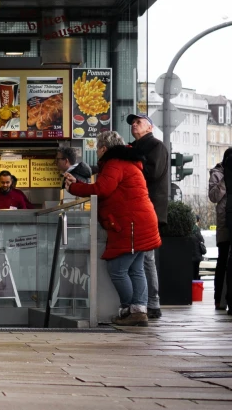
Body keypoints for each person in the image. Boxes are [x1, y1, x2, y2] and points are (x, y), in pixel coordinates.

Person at [65, 131, 161, 327]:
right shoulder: (127, 162)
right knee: (136, 269)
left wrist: (74, 188)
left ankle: (129, 310)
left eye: (97, 149)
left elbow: (102, 189)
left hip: (131, 223)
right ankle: (139, 310)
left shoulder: (115, 163)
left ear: (103, 148)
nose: (97, 153)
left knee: (117, 269)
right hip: (140, 221)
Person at [127, 113, 168, 320]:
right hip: (137, 209)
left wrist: (129, 164)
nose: (134, 125)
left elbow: (152, 174)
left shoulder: (156, 147)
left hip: (149, 210)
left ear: (150, 128)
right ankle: (142, 302)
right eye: (132, 123)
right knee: (140, 259)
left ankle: (152, 303)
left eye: (138, 122)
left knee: (146, 258)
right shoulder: (133, 148)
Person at [209, 161, 229, 310]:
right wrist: (225, 180)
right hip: (224, 223)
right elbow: (213, 196)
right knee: (223, 261)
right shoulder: (217, 174)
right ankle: (219, 299)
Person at [191, 216, 206, 280]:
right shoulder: (196, 229)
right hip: (197, 256)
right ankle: (196, 287)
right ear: (198, 221)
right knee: (196, 273)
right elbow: (202, 240)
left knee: (192, 273)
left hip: (191, 255)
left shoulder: (189, 229)